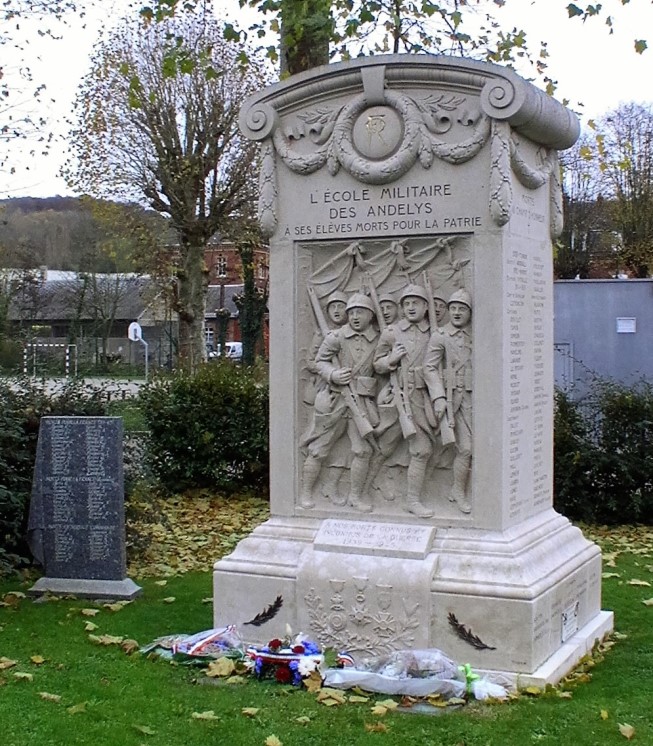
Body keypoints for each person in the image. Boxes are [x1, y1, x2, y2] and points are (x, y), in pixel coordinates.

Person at [300, 293, 379, 511]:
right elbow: (320, 361)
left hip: (361, 403)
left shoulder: (378, 338)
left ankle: (355, 496)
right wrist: (333, 375)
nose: (354, 316)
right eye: (351, 312)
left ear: (370, 315)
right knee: (318, 449)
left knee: (363, 451)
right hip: (335, 400)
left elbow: (380, 365)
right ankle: (305, 493)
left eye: (360, 312)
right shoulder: (336, 337)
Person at [373, 284, 435, 518]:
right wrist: (392, 358)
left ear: (425, 306)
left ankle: (412, 500)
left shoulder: (432, 333)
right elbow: (376, 364)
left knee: (422, 450)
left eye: (415, 303)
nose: (410, 307)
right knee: (384, 447)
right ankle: (361, 490)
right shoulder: (391, 332)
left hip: (421, 399)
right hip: (396, 398)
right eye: (406, 303)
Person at [424, 288, 473, 513]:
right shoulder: (441, 335)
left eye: (462, 309)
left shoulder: (474, 336)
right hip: (450, 399)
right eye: (453, 308)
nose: (456, 312)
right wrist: (439, 397)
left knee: (466, 449)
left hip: (472, 399)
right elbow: (429, 367)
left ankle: (456, 490)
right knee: (460, 448)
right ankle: (444, 489)